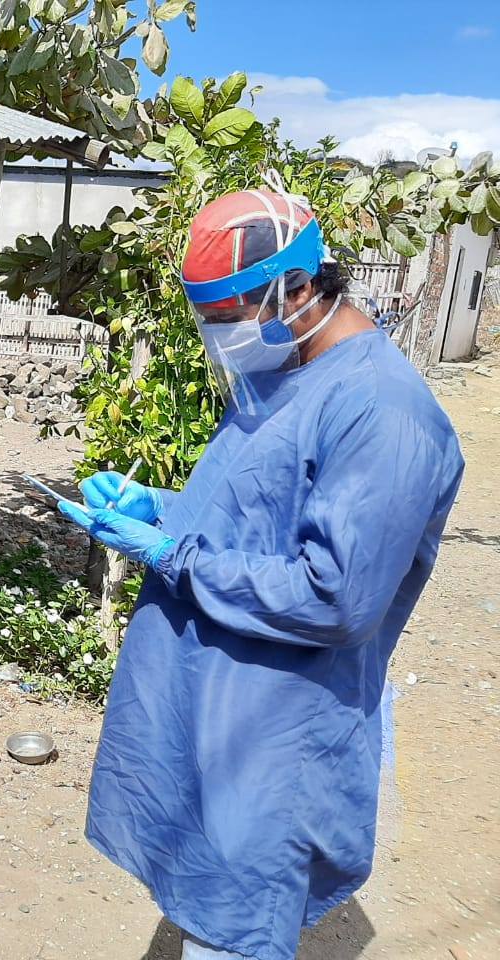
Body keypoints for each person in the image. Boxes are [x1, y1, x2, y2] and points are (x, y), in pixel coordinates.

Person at [59, 182, 464, 960]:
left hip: (273, 736)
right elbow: (255, 509)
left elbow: (337, 598)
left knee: (237, 923)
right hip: (217, 709)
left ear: (299, 288)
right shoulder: (285, 370)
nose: (219, 337)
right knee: (205, 899)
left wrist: (174, 554)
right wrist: (161, 509)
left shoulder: (385, 413)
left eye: (227, 316)